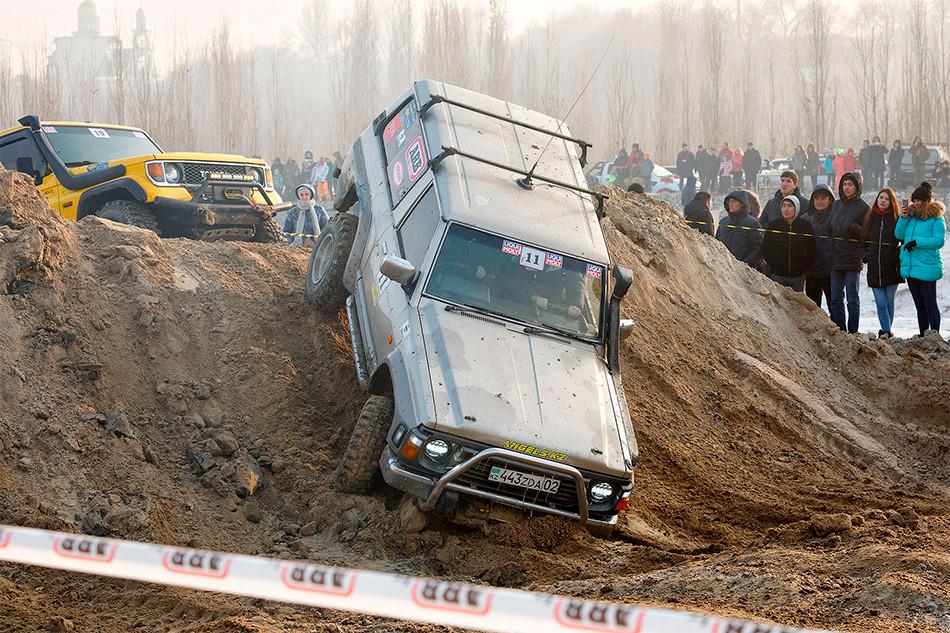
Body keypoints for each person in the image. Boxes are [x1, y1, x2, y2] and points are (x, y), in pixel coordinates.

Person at [894, 182, 945, 335]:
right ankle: (923, 335)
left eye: (919, 200)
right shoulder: (911, 217)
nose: (916, 203)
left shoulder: (936, 219)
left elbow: (938, 241)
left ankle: (934, 336)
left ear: (927, 201)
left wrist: (917, 242)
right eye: (914, 200)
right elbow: (898, 235)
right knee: (920, 306)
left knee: (930, 304)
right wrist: (903, 218)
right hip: (911, 266)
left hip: (927, 266)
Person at [829, 172, 870, 333]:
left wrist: (855, 229)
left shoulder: (864, 208)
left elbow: (867, 235)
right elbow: (830, 228)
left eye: (850, 185)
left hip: (853, 260)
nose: (846, 188)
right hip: (836, 258)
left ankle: (853, 332)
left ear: (857, 187)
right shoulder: (836, 205)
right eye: (844, 184)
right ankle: (841, 331)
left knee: (852, 299)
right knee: (835, 299)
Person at [862, 188, 904, 338]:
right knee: (880, 302)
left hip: (891, 267)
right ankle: (887, 330)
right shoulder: (870, 218)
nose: (883, 201)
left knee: (889, 302)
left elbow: (903, 241)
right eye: (881, 197)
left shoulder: (896, 219)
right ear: (877, 199)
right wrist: (866, 256)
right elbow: (863, 241)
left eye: (887, 199)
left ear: (891, 202)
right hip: (874, 268)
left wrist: (897, 256)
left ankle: (887, 332)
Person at [761, 196, 817, 291]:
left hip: (798, 275)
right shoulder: (774, 225)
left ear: (796, 208)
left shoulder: (805, 225)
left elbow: (811, 249)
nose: (786, 209)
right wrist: (774, 266)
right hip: (778, 274)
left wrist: (803, 268)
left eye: (789, 206)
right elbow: (766, 248)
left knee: (796, 300)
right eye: (783, 206)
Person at [800, 184, 836, 309]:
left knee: (834, 304)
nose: (819, 201)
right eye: (816, 198)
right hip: (811, 269)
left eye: (823, 198)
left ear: (830, 200)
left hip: (831, 269)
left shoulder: (836, 217)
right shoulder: (805, 218)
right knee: (812, 307)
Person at [715, 190, 762, 267]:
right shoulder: (723, 222)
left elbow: (758, 248)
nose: (730, 204)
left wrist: (744, 264)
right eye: (729, 201)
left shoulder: (752, 223)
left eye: (734, 201)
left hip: (742, 269)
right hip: (722, 267)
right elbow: (716, 243)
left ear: (742, 204)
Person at [284, 183, 329, 249]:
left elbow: (327, 228)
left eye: (307, 194)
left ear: (311, 195)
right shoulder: (292, 212)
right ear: (298, 196)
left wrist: (322, 242)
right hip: (297, 248)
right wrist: (291, 243)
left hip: (317, 248)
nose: (304, 197)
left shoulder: (319, 210)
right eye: (301, 195)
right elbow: (286, 232)